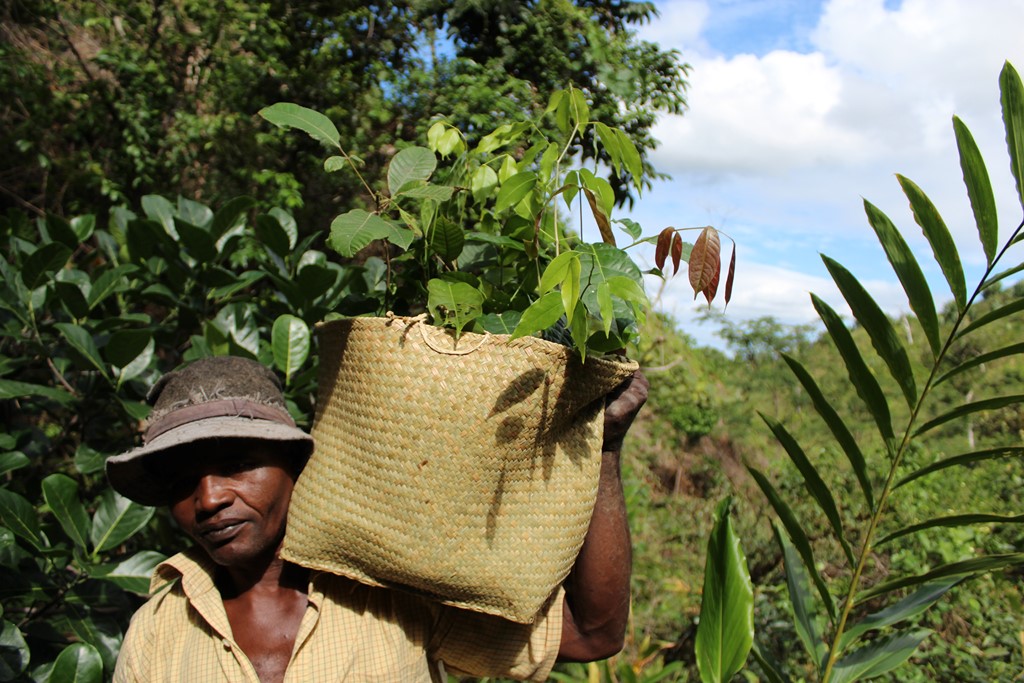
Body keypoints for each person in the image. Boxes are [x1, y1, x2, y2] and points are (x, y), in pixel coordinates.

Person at [106, 355, 648, 683]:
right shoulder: (158, 631)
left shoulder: (392, 589)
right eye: (182, 484)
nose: (208, 499)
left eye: (237, 466)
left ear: (294, 466)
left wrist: (605, 448)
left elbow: (592, 634)